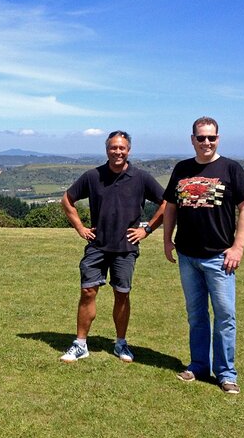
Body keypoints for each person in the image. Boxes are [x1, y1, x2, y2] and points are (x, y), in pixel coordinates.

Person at [163, 116, 244, 394]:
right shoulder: (182, 168)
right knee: (196, 315)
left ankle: (226, 373)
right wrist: (167, 239)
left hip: (219, 257)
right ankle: (199, 365)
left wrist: (238, 246)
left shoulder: (231, 168)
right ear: (192, 139)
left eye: (211, 138)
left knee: (225, 315)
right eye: (200, 137)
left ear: (218, 138)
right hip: (188, 256)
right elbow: (171, 206)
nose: (206, 142)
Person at [60, 130, 166, 363]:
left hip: (126, 248)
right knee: (87, 291)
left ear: (129, 150)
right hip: (97, 245)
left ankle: (121, 343)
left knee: (122, 294)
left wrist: (146, 229)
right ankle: (80, 345)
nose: (117, 152)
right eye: (113, 148)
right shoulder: (92, 176)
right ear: (106, 149)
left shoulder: (141, 177)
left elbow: (166, 202)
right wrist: (80, 228)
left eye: (122, 148)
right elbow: (67, 200)